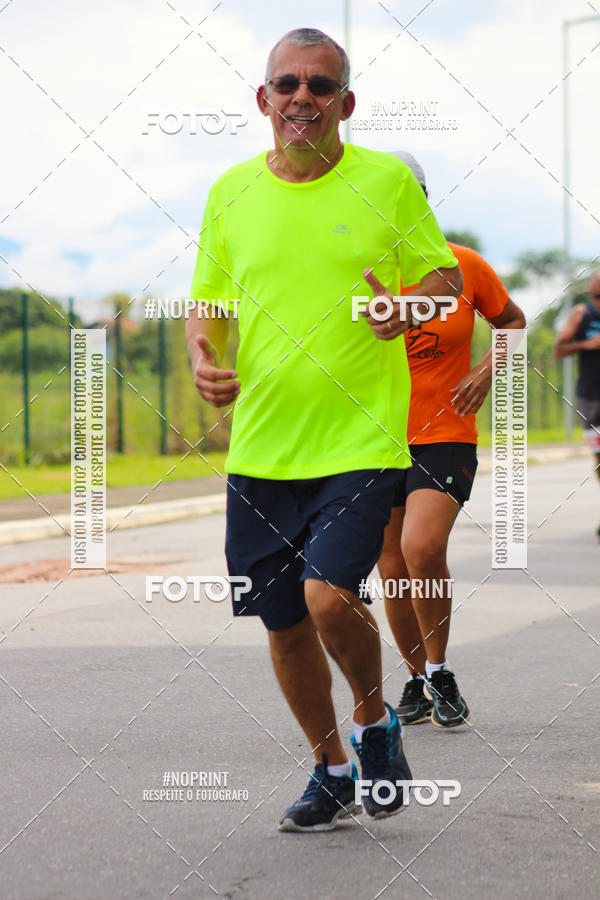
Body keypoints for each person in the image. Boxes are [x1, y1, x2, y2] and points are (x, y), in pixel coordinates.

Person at [186, 30, 462, 832]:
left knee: (330, 596)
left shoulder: (385, 182)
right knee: (283, 624)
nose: (302, 96)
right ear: (264, 99)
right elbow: (210, 301)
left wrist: (404, 305)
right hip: (262, 448)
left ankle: (375, 725)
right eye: (288, 83)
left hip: (360, 440)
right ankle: (330, 768)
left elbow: (444, 276)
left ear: (346, 102)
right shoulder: (230, 191)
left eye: (319, 85)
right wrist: (204, 357)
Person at [378, 151, 526, 728]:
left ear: (422, 199)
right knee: (391, 565)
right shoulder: (358, 274)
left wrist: (486, 372)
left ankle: (439, 669)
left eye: (405, 196)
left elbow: (511, 322)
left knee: (420, 547)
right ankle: (417, 679)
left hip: (444, 433)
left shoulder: (462, 265)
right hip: (374, 438)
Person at [554, 271, 600, 537]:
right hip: (591, 398)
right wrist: (586, 344)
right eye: (596, 296)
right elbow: (559, 349)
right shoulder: (582, 315)